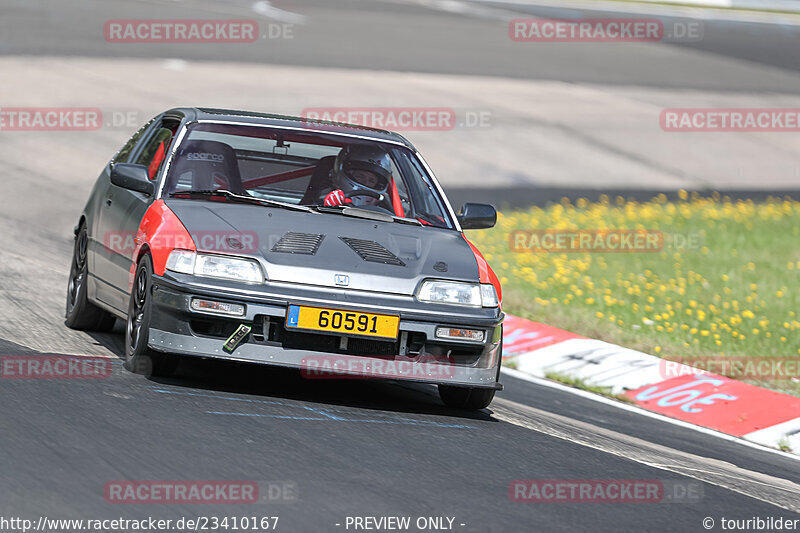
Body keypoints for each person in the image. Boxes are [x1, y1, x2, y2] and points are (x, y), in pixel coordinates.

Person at [322, 144, 393, 211]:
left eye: (371, 181)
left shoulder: (385, 212)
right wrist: (327, 209)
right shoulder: (319, 202)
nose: (365, 183)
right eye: (360, 177)